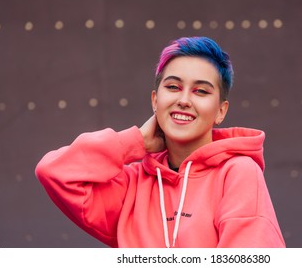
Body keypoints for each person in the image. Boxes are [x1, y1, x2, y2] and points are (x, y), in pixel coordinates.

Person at [35, 36, 285, 248]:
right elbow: (54, 172)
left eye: (201, 91)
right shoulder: (133, 184)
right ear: (155, 100)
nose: (184, 100)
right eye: (173, 87)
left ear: (221, 111)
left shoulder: (238, 172)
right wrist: (137, 141)